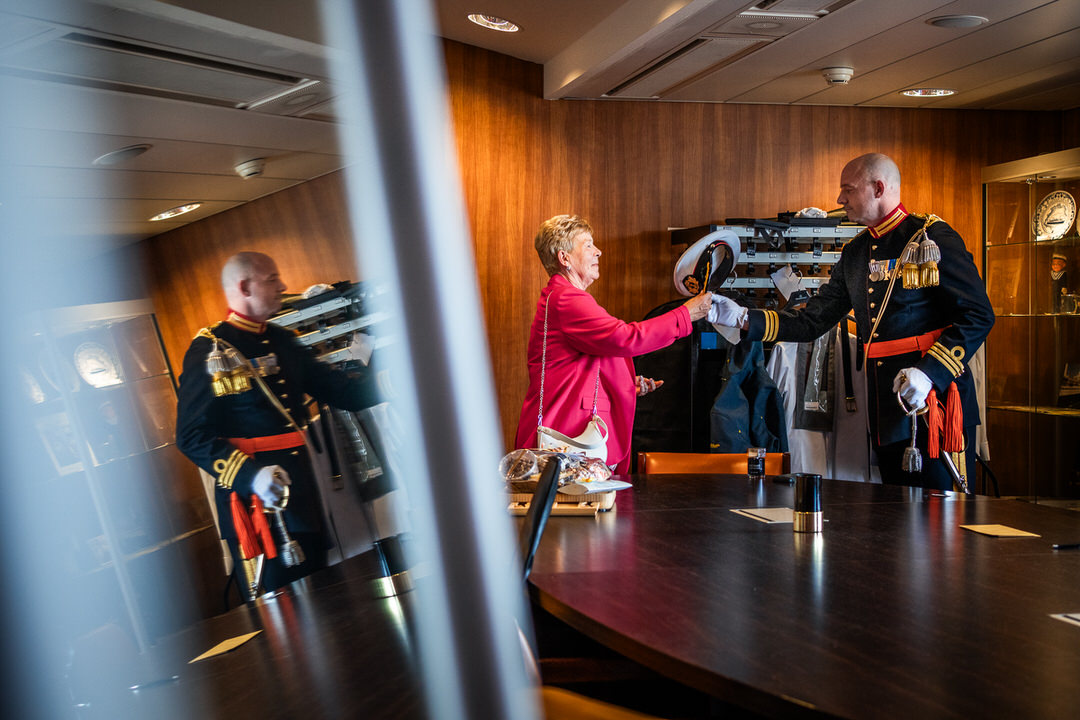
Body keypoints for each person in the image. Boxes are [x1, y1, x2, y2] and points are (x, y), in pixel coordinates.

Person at [710, 153, 994, 490]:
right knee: (897, 518)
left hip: (935, 403)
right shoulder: (857, 253)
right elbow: (813, 321)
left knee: (942, 520)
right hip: (887, 408)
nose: (839, 199)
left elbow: (978, 314)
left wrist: (931, 372)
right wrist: (744, 318)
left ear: (878, 188)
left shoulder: (931, 238)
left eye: (848, 189)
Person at [176, 251, 382, 593]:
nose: (283, 286)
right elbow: (190, 436)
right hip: (256, 504)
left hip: (302, 495)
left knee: (325, 598)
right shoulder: (210, 350)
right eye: (272, 279)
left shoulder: (282, 340)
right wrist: (249, 476)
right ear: (244, 287)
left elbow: (343, 393)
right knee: (280, 615)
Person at [514, 215, 714, 474]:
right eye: (588, 245)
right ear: (564, 258)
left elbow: (589, 360)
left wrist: (627, 384)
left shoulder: (563, 296)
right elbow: (626, 338)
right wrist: (685, 315)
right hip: (568, 436)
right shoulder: (568, 300)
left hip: (569, 433)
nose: (598, 251)